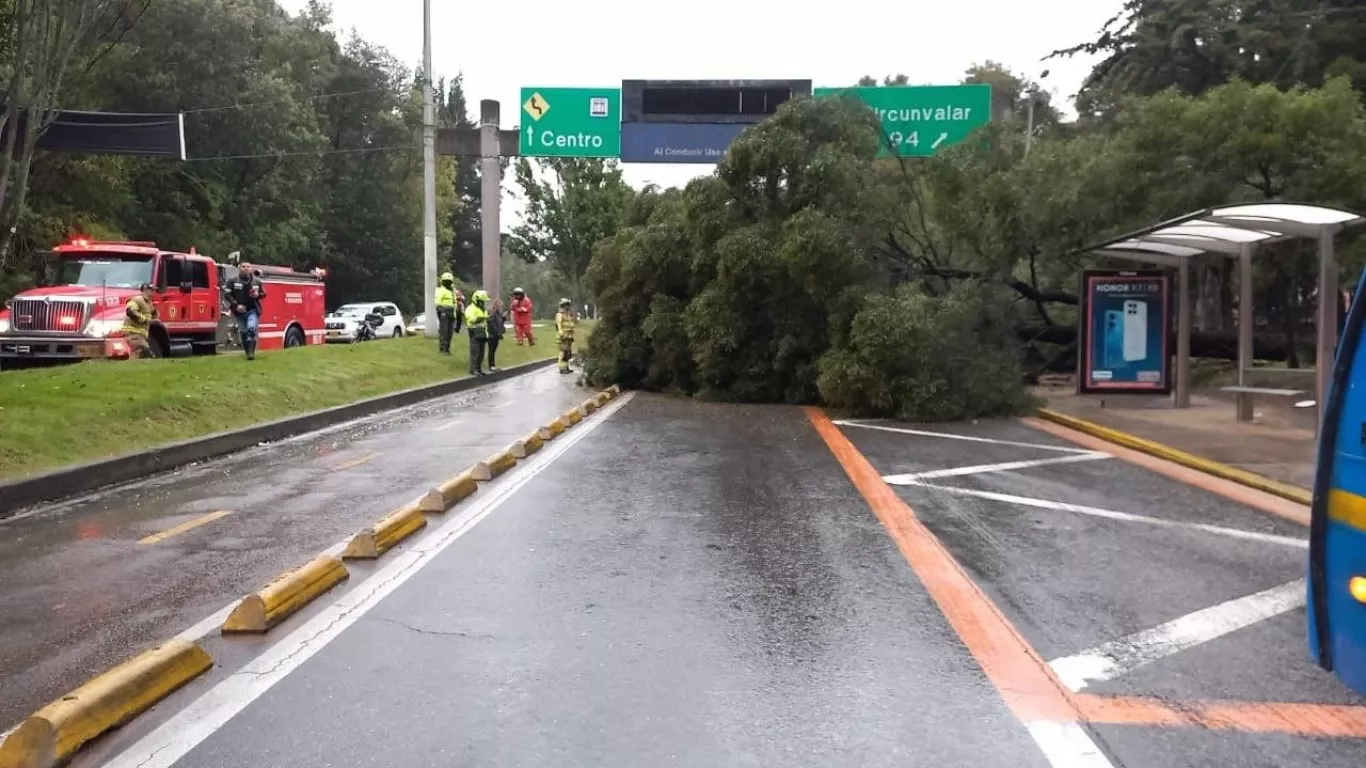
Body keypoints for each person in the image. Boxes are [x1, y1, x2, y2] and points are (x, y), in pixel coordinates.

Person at [223, 263, 266, 360]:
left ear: (251, 269)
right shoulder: (232, 281)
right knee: (243, 332)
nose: (246, 268)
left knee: (251, 329)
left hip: (253, 310)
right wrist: (236, 305)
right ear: (239, 268)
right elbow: (227, 294)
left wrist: (257, 295)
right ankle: (247, 352)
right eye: (243, 266)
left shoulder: (256, 282)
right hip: (239, 312)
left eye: (248, 267)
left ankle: (251, 354)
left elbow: (264, 294)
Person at [123, 283, 158, 359]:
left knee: (139, 355)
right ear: (145, 290)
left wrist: (154, 311)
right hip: (133, 333)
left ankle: (133, 365)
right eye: (152, 290)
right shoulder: (137, 299)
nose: (154, 292)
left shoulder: (148, 303)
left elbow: (154, 316)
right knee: (146, 353)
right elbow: (130, 311)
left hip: (141, 335)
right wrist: (144, 319)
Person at [464, 289, 490, 376]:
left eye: (483, 301)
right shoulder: (470, 309)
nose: (482, 303)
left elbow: (485, 321)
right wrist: (482, 318)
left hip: (482, 332)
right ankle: (473, 369)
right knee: (475, 351)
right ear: (476, 300)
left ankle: (479, 369)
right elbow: (471, 320)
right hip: (474, 332)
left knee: (481, 352)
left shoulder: (483, 309)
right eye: (481, 301)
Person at [434, 271, 458, 355]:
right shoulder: (440, 290)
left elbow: (454, 302)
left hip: (451, 312)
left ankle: (447, 348)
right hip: (444, 312)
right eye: (446, 281)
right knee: (444, 331)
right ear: (443, 282)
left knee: (450, 332)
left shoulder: (452, 291)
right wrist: (442, 311)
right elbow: (438, 302)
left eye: (449, 281)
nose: (448, 283)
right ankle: (442, 349)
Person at [555, 297, 576, 375]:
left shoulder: (567, 314)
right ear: (563, 306)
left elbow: (570, 324)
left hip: (569, 337)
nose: (568, 307)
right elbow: (559, 325)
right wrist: (561, 334)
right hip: (563, 337)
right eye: (567, 305)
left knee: (568, 353)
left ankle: (566, 367)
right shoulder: (559, 315)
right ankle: (562, 368)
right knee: (563, 353)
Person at [487, 298, 507, 373]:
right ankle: (491, 366)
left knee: (493, 350)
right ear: (497, 305)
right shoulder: (493, 312)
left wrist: (503, 318)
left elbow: (499, 322)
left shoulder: (498, 313)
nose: (501, 307)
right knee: (491, 350)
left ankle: (493, 365)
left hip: (496, 334)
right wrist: (497, 331)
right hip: (492, 334)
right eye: (500, 306)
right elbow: (491, 322)